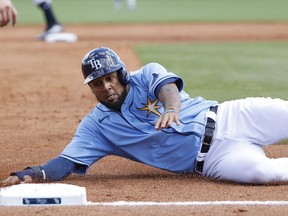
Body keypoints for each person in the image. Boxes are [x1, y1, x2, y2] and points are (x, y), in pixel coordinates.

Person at [2, 46, 288, 187]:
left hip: (231, 116)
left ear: (121, 74)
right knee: (262, 173)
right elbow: (67, 161)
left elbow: (168, 88)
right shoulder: (96, 127)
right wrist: (31, 173)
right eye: (97, 83)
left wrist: (171, 110)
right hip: (215, 161)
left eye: (110, 78)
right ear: (90, 87)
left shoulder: (147, 74)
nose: (106, 87)